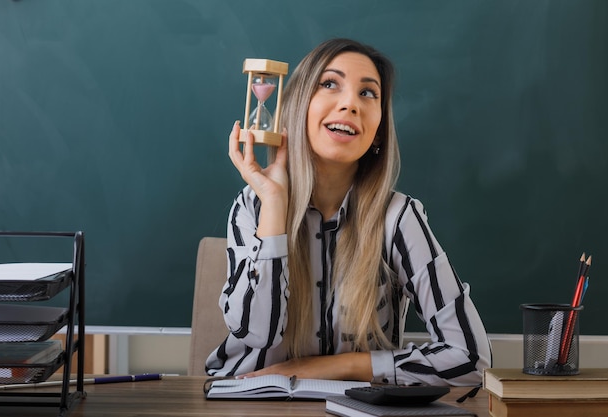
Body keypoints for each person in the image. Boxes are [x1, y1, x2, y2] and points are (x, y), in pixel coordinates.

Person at [206, 38, 491, 386]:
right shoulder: (252, 206)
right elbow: (257, 334)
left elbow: (472, 358)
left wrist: (333, 367)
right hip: (249, 402)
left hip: (356, 406)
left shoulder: (398, 216)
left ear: (378, 132)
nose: (350, 104)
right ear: (296, 108)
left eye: (368, 93)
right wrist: (275, 203)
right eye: (329, 84)